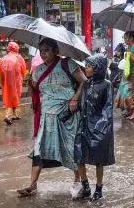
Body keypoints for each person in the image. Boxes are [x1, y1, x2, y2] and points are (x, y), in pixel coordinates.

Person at [16, 38, 86, 197]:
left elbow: (84, 82)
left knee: (71, 147)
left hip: (67, 114)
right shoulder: (38, 70)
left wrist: (75, 98)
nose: (43, 53)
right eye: (41, 50)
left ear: (56, 51)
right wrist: (29, 81)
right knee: (39, 149)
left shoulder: (68, 64)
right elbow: (34, 88)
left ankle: (79, 181)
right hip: (47, 116)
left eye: (47, 50)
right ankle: (32, 185)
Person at [75, 54, 115, 201]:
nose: (86, 68)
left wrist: (102, 126)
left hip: (99, 127)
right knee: (79, 154)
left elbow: (108, 107)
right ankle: (85, 185)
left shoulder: (106, 85)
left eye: (89, 66)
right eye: (86, 65)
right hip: (84, 125)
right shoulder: (86, 84)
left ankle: (99, 188)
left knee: (99, 159)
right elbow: (82, 104)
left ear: (98, 68)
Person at [115, 31, 134, 120]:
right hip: (127, 73)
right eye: (124, 38)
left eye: (126, 38)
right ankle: (131, 110)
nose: (125, 40)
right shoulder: (128, 47)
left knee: (132, 93)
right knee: (124, 92)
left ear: (131, 38)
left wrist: (131, 57)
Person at [0, 42, 26, 125]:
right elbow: (23, 69)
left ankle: (14, 114)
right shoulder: (19, 57)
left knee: (8, 96)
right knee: (14, 96)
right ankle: (8, 115)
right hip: (16, 81)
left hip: (6, 81)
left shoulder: (3, 58)